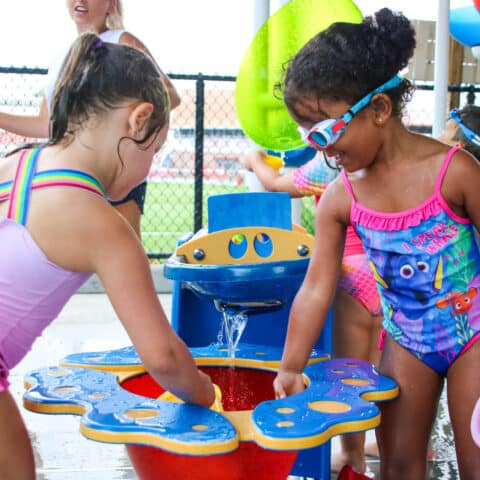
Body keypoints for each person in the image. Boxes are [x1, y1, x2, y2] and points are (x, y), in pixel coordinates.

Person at [271, 8, 480, 480]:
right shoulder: (341, 196)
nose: (321, 148)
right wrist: (290, 366)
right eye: (309, 135)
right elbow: (315, 287)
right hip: (407, 339)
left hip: (475, 334)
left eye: (325, 129)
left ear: (379, 110)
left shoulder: (455, 173)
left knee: (476, 461)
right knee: (399, 464)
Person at [0, 33, 214, 480]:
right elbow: (164, 358)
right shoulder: (102, 224)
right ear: (138, 120)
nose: (149, 165)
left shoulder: (17, 162)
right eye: (154, 151)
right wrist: (205, 392)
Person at [242, 149, 382, 474]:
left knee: (351, 373)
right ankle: (395, 443)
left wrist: (254, 161)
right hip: (388, 271)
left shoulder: (330, 160)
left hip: (350, 273)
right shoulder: (389, 158)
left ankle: (353, 454)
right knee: (385, 373)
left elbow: (277, 185)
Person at [0, 0, 181, 237]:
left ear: (110, 4)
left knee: (124, 244)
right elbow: (47, 124)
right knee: (72, 249)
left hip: (115, 161)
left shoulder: (121, 41)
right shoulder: (61, 60)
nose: (80, 1)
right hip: (73, 168)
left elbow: (170, 96)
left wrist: (119, 118)